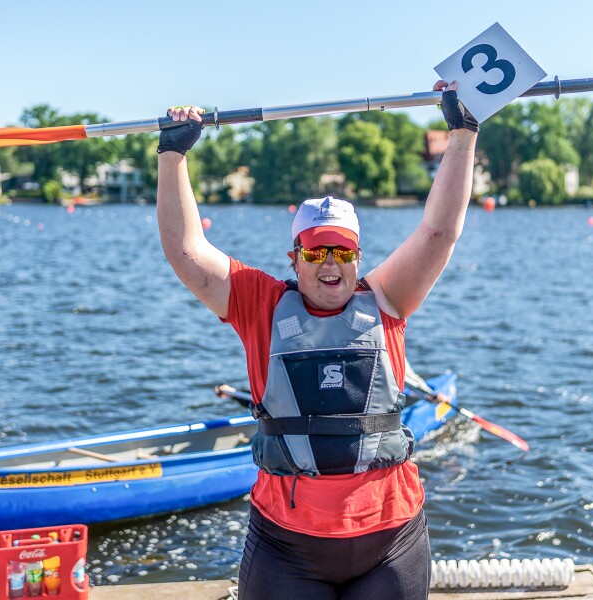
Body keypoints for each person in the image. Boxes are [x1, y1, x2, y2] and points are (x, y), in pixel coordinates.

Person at [156, 80, 478, 600]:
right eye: (316, 252)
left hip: (390, 540)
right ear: (295, 259)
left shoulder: (389, 297)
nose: (331, 265)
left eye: (343, 253)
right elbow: (186, 250)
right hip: (287, 546)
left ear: (357, 257)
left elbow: (439, 231)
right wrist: (173, 155)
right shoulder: (257, 304)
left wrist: (462, 131)